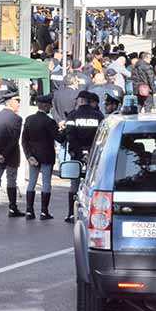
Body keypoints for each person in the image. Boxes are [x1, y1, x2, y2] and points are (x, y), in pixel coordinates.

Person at [60, 91, 104, 222]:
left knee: (74, 184)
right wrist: (91, 152)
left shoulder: (73, 116)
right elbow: (101, 137)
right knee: (94, 183)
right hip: (94, 156)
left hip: (76, 155)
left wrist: (79, 153)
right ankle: (93, 213)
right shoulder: (99, 116)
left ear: (80, 101)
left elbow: (70, 136)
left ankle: (71, 214)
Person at [0, 93, 25, 217]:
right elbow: (14, 140)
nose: (19, 103)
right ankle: (12, 208)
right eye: (16, 101)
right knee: (11, 180)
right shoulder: (17, 119)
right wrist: (3, 154)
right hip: (11, 154)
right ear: (9, 102)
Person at [21, 93, 58, 221]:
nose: (51, 106)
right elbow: (59, 137)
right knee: (46, 183)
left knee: (31, 182)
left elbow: (24, 140)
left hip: (33, 155)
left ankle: (29, 211)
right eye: (50, 104)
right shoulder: (50, 121)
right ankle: (44, 211)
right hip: (47, 155)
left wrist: (29, 155)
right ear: (46, 105)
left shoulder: (29, 119)